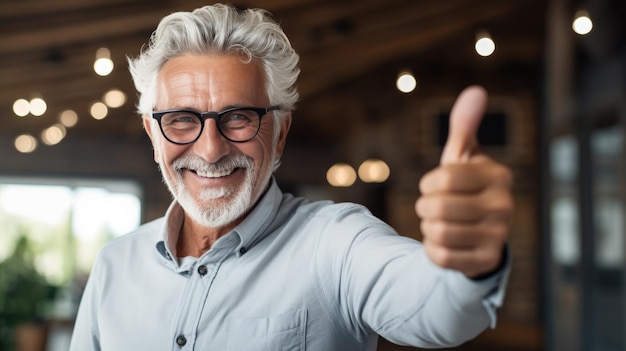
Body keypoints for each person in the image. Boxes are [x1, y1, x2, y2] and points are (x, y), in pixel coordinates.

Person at [69, 3, 513, 350]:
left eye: (239, 117)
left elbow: (438, 310)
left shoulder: (335, 243)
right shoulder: (115, 264)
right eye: (183, 119)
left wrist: (467, 261)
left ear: (279, 133)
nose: (210, 149)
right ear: (153, 134)